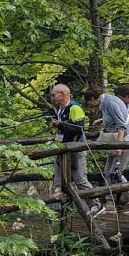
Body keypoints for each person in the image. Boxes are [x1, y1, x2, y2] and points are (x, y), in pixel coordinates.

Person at [85, 88, 129, 214]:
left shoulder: (110, 103)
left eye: (89, 102)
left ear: (94, 98)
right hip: (118, 140)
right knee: (108, 172)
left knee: (115, 172)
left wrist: (119, 146)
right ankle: (110, 203)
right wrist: (102, 120)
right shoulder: (106, 102)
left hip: (126, 140)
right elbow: (120, 115)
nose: (90, 106)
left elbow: (121, 125)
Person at [47, 84, 101, 215]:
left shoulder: (75, 108)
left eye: (54, 95)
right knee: (58, 181)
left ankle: (96, 206)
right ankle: (56, 210)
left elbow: (77, 129)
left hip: (77, 148)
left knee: (80, 179)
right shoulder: (60, 110)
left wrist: (59, 124)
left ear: (62, 94)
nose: (52, 97)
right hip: (62, 149)